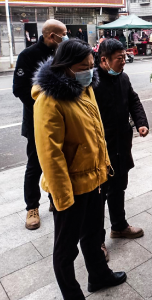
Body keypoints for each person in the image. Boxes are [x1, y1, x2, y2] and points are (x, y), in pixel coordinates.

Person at [32, 38, 126, 300]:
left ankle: (99, 275)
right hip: (69, 188)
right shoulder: (49, 101)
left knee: (94, 233)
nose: (89, 71)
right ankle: (72, 296)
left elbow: (96, 133)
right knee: (65, 250)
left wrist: (104, 168)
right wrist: (62, 199)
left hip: (93, 180)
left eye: (91, 65)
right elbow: (50, 156)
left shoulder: (84, 88)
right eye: (83, 67)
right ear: (66, 67)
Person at [93, 39, 149, 260]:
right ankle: (97, 241)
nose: (124, 62)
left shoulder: (123, 78)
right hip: (101, 149)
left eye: (125, 57)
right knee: (99, 196)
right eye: (120, 58)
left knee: (119, 187)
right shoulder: (92, 82)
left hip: (121, 145)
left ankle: (119, 226)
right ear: (104, 60)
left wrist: (141, 122)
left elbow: (133, 100)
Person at [13, 19, 68, 230]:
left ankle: (54, 197)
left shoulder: (61, 54)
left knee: (57, 160)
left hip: (61, 120)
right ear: (51, 36)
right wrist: (45, 107)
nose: (66, 37)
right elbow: (19, 89)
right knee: (35, 164)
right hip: (36, 120)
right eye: (63, 34)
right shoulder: (27, 56)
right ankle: (32, 207)